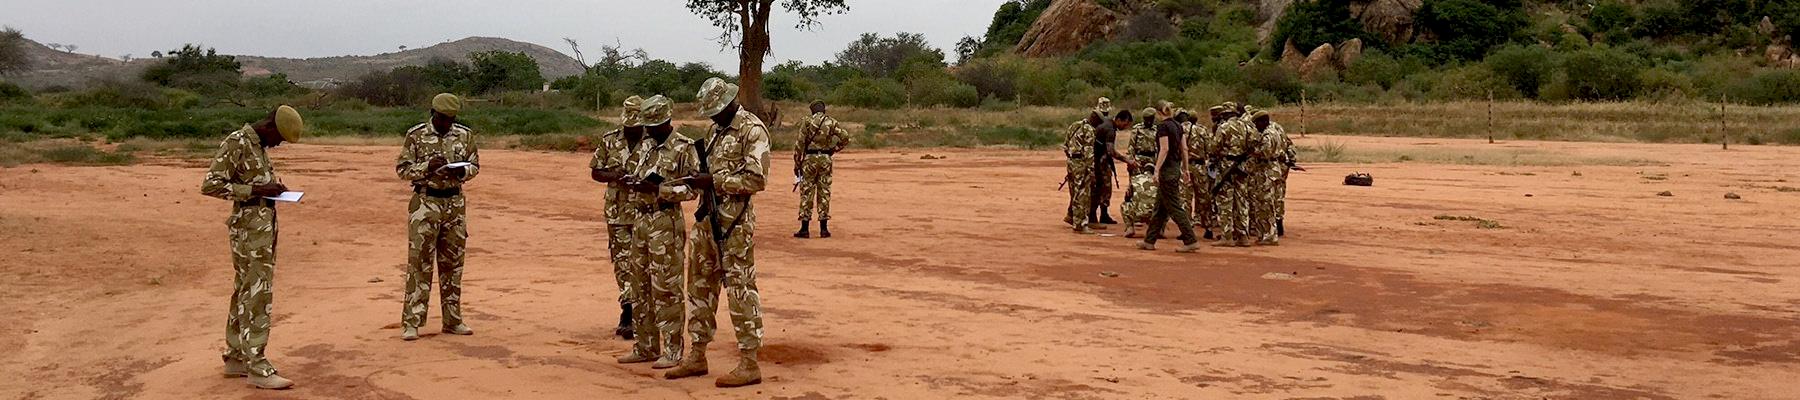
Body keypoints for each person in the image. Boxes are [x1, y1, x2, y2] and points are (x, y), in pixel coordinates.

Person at [665, 78, 769, 388]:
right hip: (706, 223)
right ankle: (697, 355)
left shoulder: (752, 130)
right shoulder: (713, 132)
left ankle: (749, 362)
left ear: (729, 103)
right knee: (699, 287)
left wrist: (715, 182)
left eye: (716, 111)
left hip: (734, 224)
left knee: (740, 290)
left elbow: (757, 179)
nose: (713, 116)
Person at [201, 105, 303, 390]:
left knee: (246, 288)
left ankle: (236, 357)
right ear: (269, 126)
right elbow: (210, 185)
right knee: (258, 292)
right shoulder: (238, 142)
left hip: (261, 225)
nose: (278, 143)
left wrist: (272, 188)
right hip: (248, 228)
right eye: (279, 138)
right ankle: (257, 365)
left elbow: (250, 181)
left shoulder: (258, 147)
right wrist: (256, 190)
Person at [616, 95, 701, 368]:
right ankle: (645, 346)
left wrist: (658, 190)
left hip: (665, 222)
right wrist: (634, 182)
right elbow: (636, 173)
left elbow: (693, 189)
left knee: (666, 288)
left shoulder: (684, 147)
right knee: (639, 287)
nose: (648, 130)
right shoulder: (646, 146)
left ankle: (673, 350)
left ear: (666, 121)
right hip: (639, 220)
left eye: (652, 125)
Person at [395, 93, 480, 341]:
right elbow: (402, 169)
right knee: (419, 263)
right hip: (425, 202)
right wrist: (426, 167)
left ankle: (452, 320)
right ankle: (412, 322)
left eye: (451, 119)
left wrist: (462, 170)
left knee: (453, 264)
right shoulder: (416, 135)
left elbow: (475, 164)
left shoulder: (464, 135)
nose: (446, 123)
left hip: (454, 204)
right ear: (433, 114)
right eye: (443, 119)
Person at [590, 96, 647, 340]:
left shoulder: (654, 141)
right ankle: (628, 310)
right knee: (623, 263)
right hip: (618, 212)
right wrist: (614, 175)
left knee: (645, 264)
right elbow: (596, 171)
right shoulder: (610, 140)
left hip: (647, 211)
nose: (631, 129)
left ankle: (647, 313)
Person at [1136, 102, 1203, 252]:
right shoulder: (1178, 126)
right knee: (1159, 208)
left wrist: (1156, 170)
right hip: (1175, 168)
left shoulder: (1163, 127)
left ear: (1159, 113)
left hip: (1167, 170)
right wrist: (1185, 169)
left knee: (1174, 207)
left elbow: (1164, 149)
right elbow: (1184, 148)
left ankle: (1190, 239)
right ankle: (1149, 240)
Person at [794, 100, 849, 238]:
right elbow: (845, 137)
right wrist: (834, 149)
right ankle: (824, 229)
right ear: (824, 110)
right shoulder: (831, 122)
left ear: (812, 110)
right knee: (824, 191)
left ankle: (805, 229)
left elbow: (800, 143)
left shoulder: (807, 122)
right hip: (825, 159)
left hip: (809, 160)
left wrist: (797, 163)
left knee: (807, 191)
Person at [1248, 110, 1295, 245]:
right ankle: (1265, 234)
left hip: (1267, 171)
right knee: (1264, 204)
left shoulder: (1269, 135)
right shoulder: (1275, 131)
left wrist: (1253, 150)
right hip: (1269, 170)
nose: (1256, 126)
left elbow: (1265, 153)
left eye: (1257, 123)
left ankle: (1269, 236)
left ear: (1264, 121)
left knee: (1266, 205)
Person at [1212, 103, 1256, 247]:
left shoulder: (1223, 127)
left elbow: (1214, 147)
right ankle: (1243, 235)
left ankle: (1227, 236)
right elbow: (1255, 144)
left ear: (1225, 114)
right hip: (1242, 168)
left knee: (1225, 202)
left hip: (1226, 167)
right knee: (1241, 201)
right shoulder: (1247, 126)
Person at [1061, 105, 1103, 234]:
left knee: (1074, 192)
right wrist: (1091, 171)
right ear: (1095, 119)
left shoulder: (1075, 125)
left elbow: (1065, 144)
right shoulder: (1089, 131)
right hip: (1082, 164)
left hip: (1071, 162)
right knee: (1082, 195)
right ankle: (1080, 224)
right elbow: (1089, 152)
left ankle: (1075, 219)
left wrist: (1071, 158)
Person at [1087, 97, 1127, 226]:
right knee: (1098, 188)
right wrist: (1126, 159)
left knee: (1103, 188)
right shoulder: (1109, 128)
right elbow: (1111, 151)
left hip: (1099, 161)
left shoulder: (1103, 125)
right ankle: (1092, 216)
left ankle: (1102, 214)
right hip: (1099, 162)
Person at [1189, 107, 1227, 240]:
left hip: (1186, 166)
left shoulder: (1181, 129)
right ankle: (1209, 226)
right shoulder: (1203, 130)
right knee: (1204, 197)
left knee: (1186, 198)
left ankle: (1187, 227)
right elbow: (1209, 148)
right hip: (1200, 167)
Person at [1120, 109, 1158, 239]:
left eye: (1151, 119)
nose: (1149, 121)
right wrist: (1130, 162)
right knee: (1135, 188)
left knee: (1153, 188)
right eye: (1147, 119)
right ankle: (1136, 215)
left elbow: (1159, 147)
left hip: (1152, 159)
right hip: (1139, 159)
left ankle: (1149, 218)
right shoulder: (1137, 129)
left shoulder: (1156, 129)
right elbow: (1131, 146)